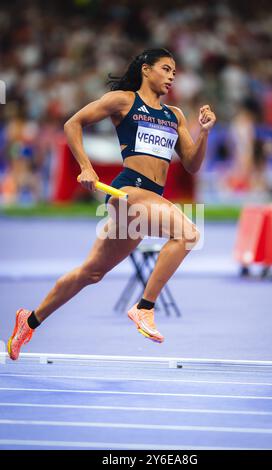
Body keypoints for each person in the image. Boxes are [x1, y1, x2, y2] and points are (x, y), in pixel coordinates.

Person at [7, 48, 216, 359]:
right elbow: (72, 124)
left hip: (149, 200)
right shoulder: (124, 100)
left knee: (91, 273)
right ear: (146, 70)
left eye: (175, 70)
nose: (173, 75)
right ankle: (145, 307)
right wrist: (86, 167)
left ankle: (30, 320)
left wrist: (203, 134)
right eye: (166, 68)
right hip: (127, 192)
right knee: (187, 234)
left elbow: (192, 165)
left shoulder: (175, 116)